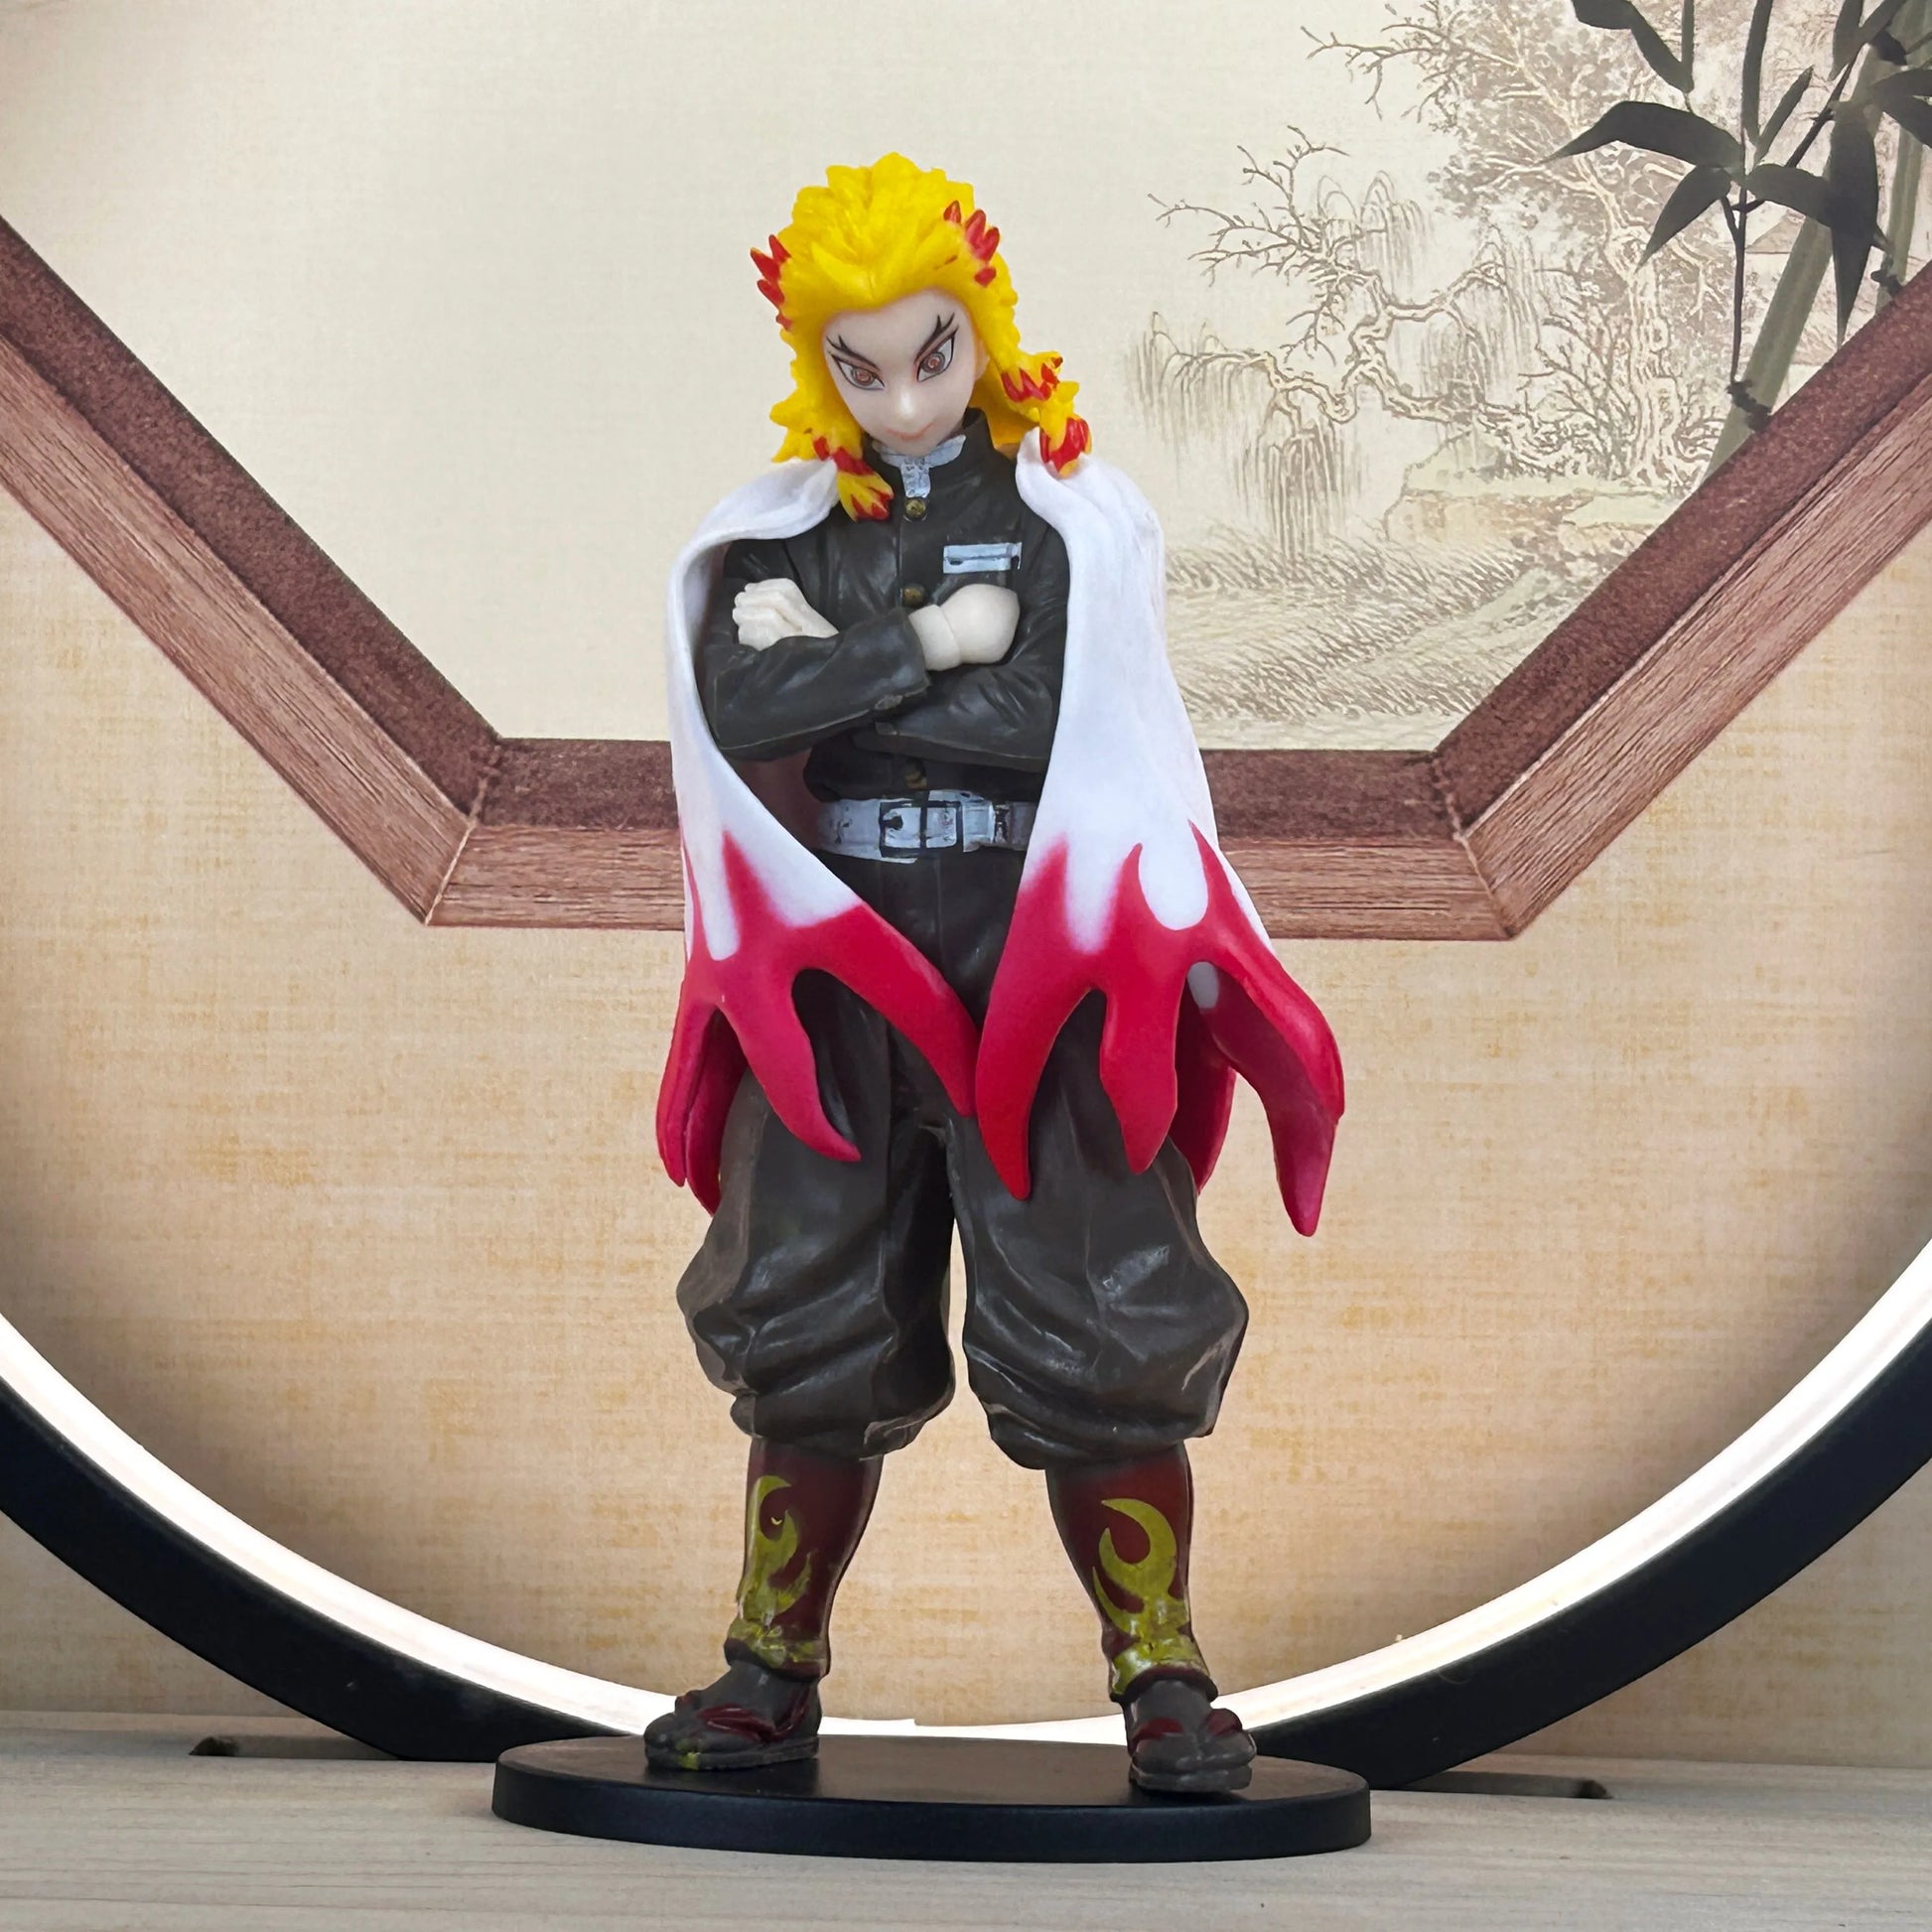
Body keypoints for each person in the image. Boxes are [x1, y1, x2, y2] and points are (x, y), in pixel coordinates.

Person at [647, 154, 1343, 1794]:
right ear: (818, 364)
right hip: (839, 949)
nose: (901, 396)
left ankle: (1161, 1671)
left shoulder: (1062, 514)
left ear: (980, 325)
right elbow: (740, 708)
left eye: (930, 354)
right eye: (860, 366)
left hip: (1037, 940)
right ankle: (768, 1667)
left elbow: (1048, 717)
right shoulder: (784, 528)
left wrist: (845, 672)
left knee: (1102, 1303)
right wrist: (937, 642)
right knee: (803, 1302)